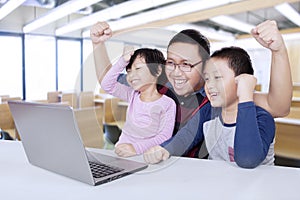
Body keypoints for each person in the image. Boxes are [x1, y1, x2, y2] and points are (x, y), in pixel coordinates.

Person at [90, 20, 292, 158]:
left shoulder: (216, 95)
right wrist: (98, 45)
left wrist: (279, 51)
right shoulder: (157, 86)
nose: (176, 73)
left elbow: (279, 106)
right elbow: (110, 81)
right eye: (171, 63)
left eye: (186, 64)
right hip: (150, 165)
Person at [189, 46, 275, 168]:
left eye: (217, 77)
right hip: (219, 183)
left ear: (241, 81)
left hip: (256, 185)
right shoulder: (208, 112)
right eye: (207, 79)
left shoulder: (262, 118)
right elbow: (185, 137)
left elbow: (247, 160)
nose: (210, 85)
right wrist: (164, 150)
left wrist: (245, 95)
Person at [100, 47, 176, 157]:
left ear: (158, 70)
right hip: (121, 153)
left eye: (138, 68)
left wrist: (135, 148)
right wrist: (122, 61)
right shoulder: (132, 95)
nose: (131, 76)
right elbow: (106, 85)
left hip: (147, 157)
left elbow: (164, 137)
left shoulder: (168, 104)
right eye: (129, 71)